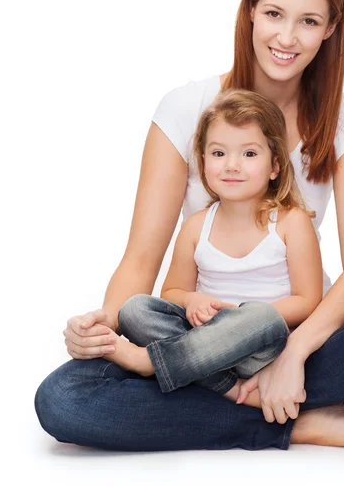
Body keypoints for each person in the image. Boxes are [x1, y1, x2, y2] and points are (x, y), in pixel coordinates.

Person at [35, 0, 344, 454]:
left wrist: (295, 355)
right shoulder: (184, 107)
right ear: (250, 12)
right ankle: (294, 422)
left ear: (330, 29)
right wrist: (107, 327)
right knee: (64, 399)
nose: (286, 38)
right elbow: (143, 259)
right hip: (197, 340)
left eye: (308, 21)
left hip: (299, 335)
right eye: (274, 14)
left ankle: (250, 400)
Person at [101, 88, 324, 407]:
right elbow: (172, 292)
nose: (232, 165)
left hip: (259, 348)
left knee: (262, 315)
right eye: (219, 153)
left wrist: (236, 317)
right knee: (134, 309)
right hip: (203, 340)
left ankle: (149, 363)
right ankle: (230, 390)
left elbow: (308, 300)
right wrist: (193, 300)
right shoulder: (196, 226)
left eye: (249, 154)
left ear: (274, 165)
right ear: (203, 161)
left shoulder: (291, 222)